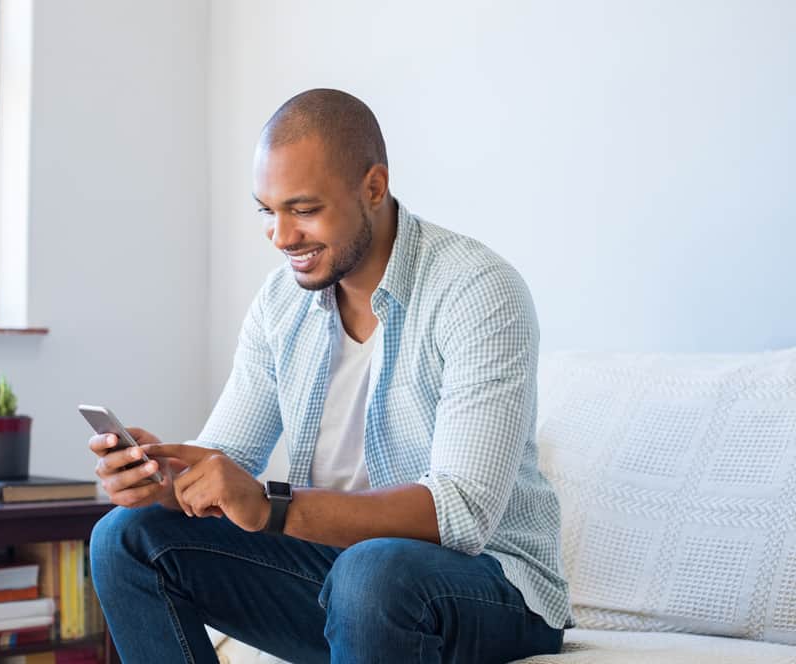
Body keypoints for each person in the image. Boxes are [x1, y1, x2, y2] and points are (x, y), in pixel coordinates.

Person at [88, 88, 573, 664]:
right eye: (268, 211)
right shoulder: (279, 304)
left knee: (373, 568)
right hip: (344, 576)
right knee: (125, 536)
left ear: (373, 187)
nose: (281, 236)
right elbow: (224, 459)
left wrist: (273, 507)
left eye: (304, 209)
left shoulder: (477, 290)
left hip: (490, 585)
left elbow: (460, 513)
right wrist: (164, 480)